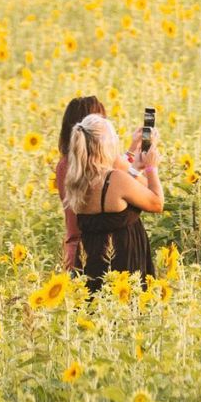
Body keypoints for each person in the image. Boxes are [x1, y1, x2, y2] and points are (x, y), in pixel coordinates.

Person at [62, 113, 163, 292]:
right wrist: (151, 167)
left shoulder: (78, 178)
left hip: (91, 259)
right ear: (104, 145)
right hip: (121, 263)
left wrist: (135, 169)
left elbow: (119, 193)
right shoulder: (115, 179)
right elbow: (156, 203)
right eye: (114, 137)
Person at [56, 96, 143, 270]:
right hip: (93, 251)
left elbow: (115, 171)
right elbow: (120, 179)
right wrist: (149, 169)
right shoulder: (83, 165)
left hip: (79, 249)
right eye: (100, 121)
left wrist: (132, 148)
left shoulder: (67, 164)